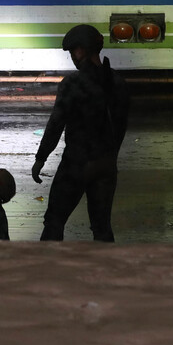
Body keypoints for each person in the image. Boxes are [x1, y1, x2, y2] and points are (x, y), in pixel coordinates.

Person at [31, 24, 129, 242]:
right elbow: (121, 126)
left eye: (72, 51)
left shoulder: (73, 83)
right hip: (106, 164)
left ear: (81, 51)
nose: (72, 57)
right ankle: (105, 273)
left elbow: (56, 124)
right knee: (102, 227)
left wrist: (41, 158)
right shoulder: (118, 82)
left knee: (55, 221)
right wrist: (110, 157)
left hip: (76, 163)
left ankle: (42, 270)